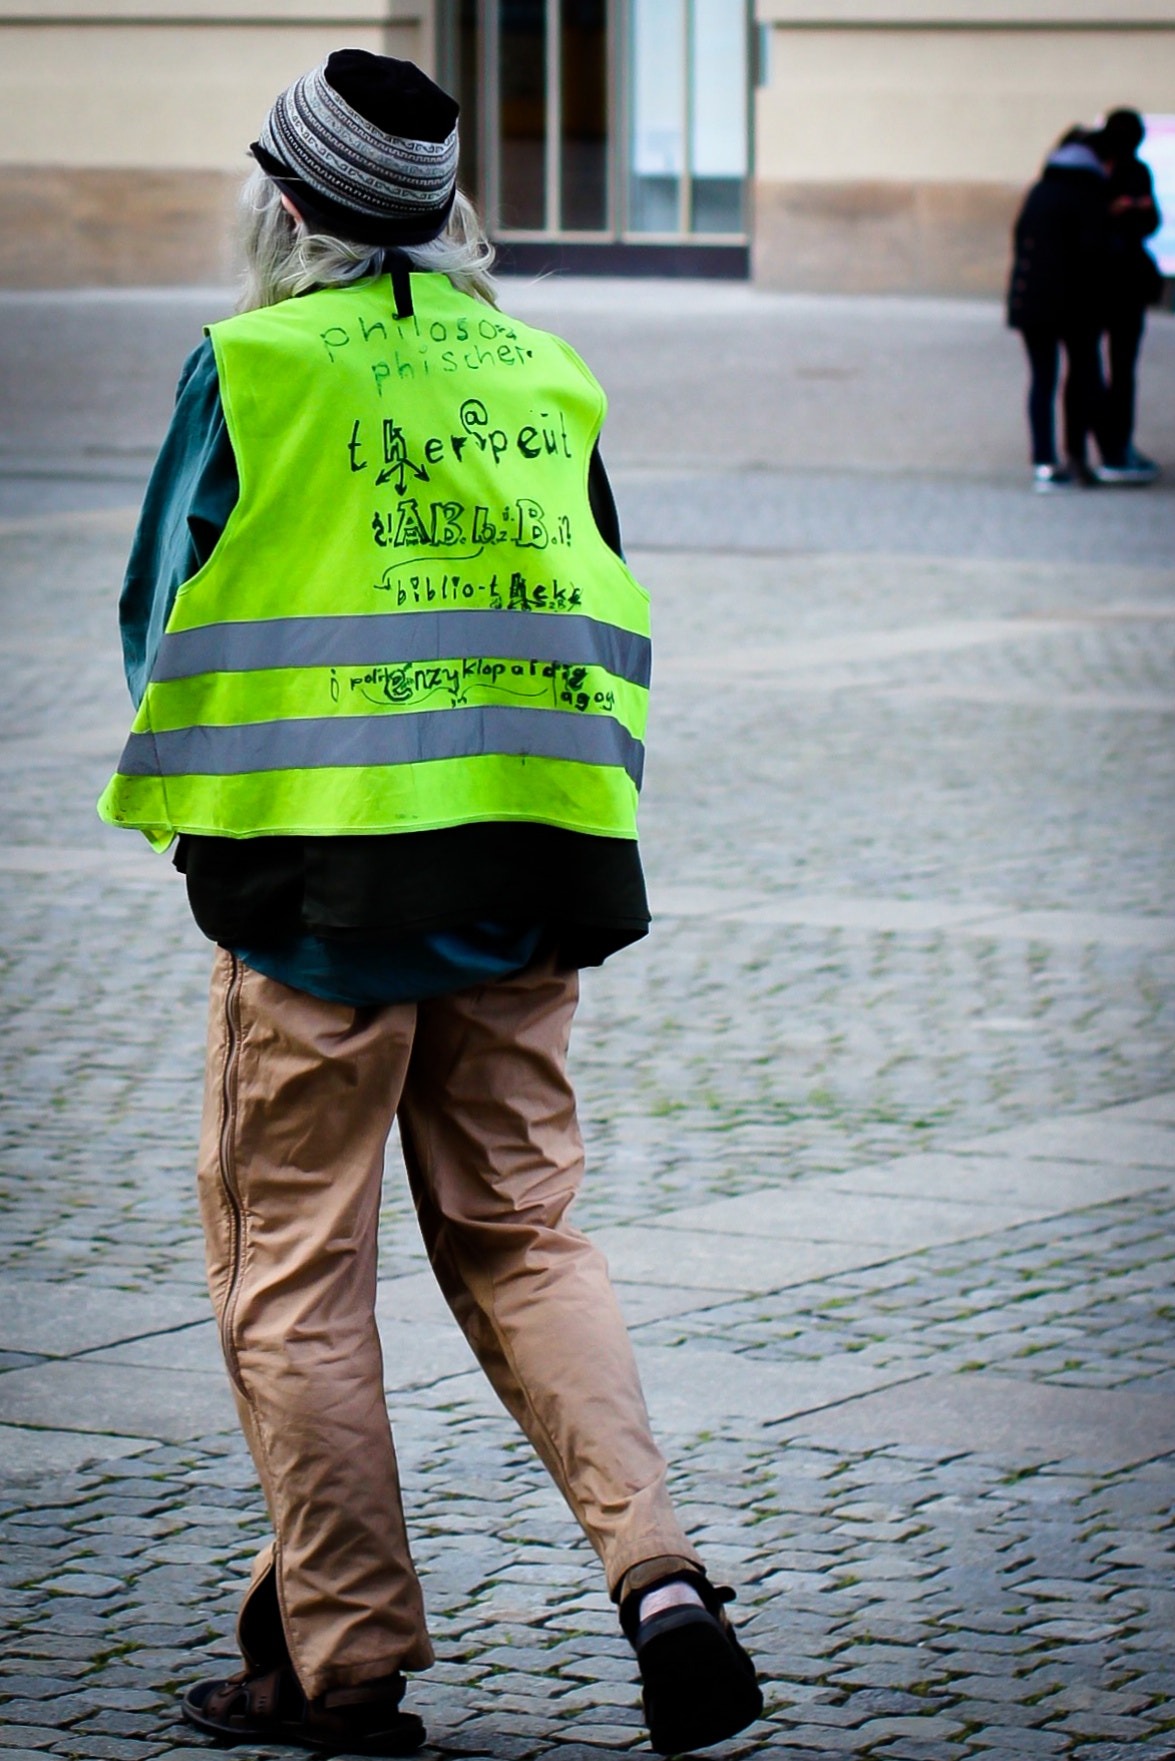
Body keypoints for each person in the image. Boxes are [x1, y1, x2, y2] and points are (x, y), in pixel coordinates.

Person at [97, 49, 763, 1759]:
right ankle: (660, 1577)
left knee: (293, 1278)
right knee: (528, 1240)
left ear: (288, 204)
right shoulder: (542, 366)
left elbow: (161, 617)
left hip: (318, 897)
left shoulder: (253, 365)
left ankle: (349, 1667)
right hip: (532, 879)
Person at [1007, 127, 1113, 491]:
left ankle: (1043, 462)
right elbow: (1094, 252)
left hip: (1033, 303)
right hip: (1074, 305)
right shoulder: (1089, 194)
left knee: (1042, 380)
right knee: (1081, 378)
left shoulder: (1041, 189)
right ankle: (1077, 455)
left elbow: (1020, 239)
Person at [1095, 108, 1162, 484]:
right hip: (1109, 280)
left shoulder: (1133, 171)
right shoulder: (1102, 173)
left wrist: (1133, 211)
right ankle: (1111, 444)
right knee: (1115, 369)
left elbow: (1151, 220)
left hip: (1118, 280)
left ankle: (1114, 443)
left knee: (1118, 368)